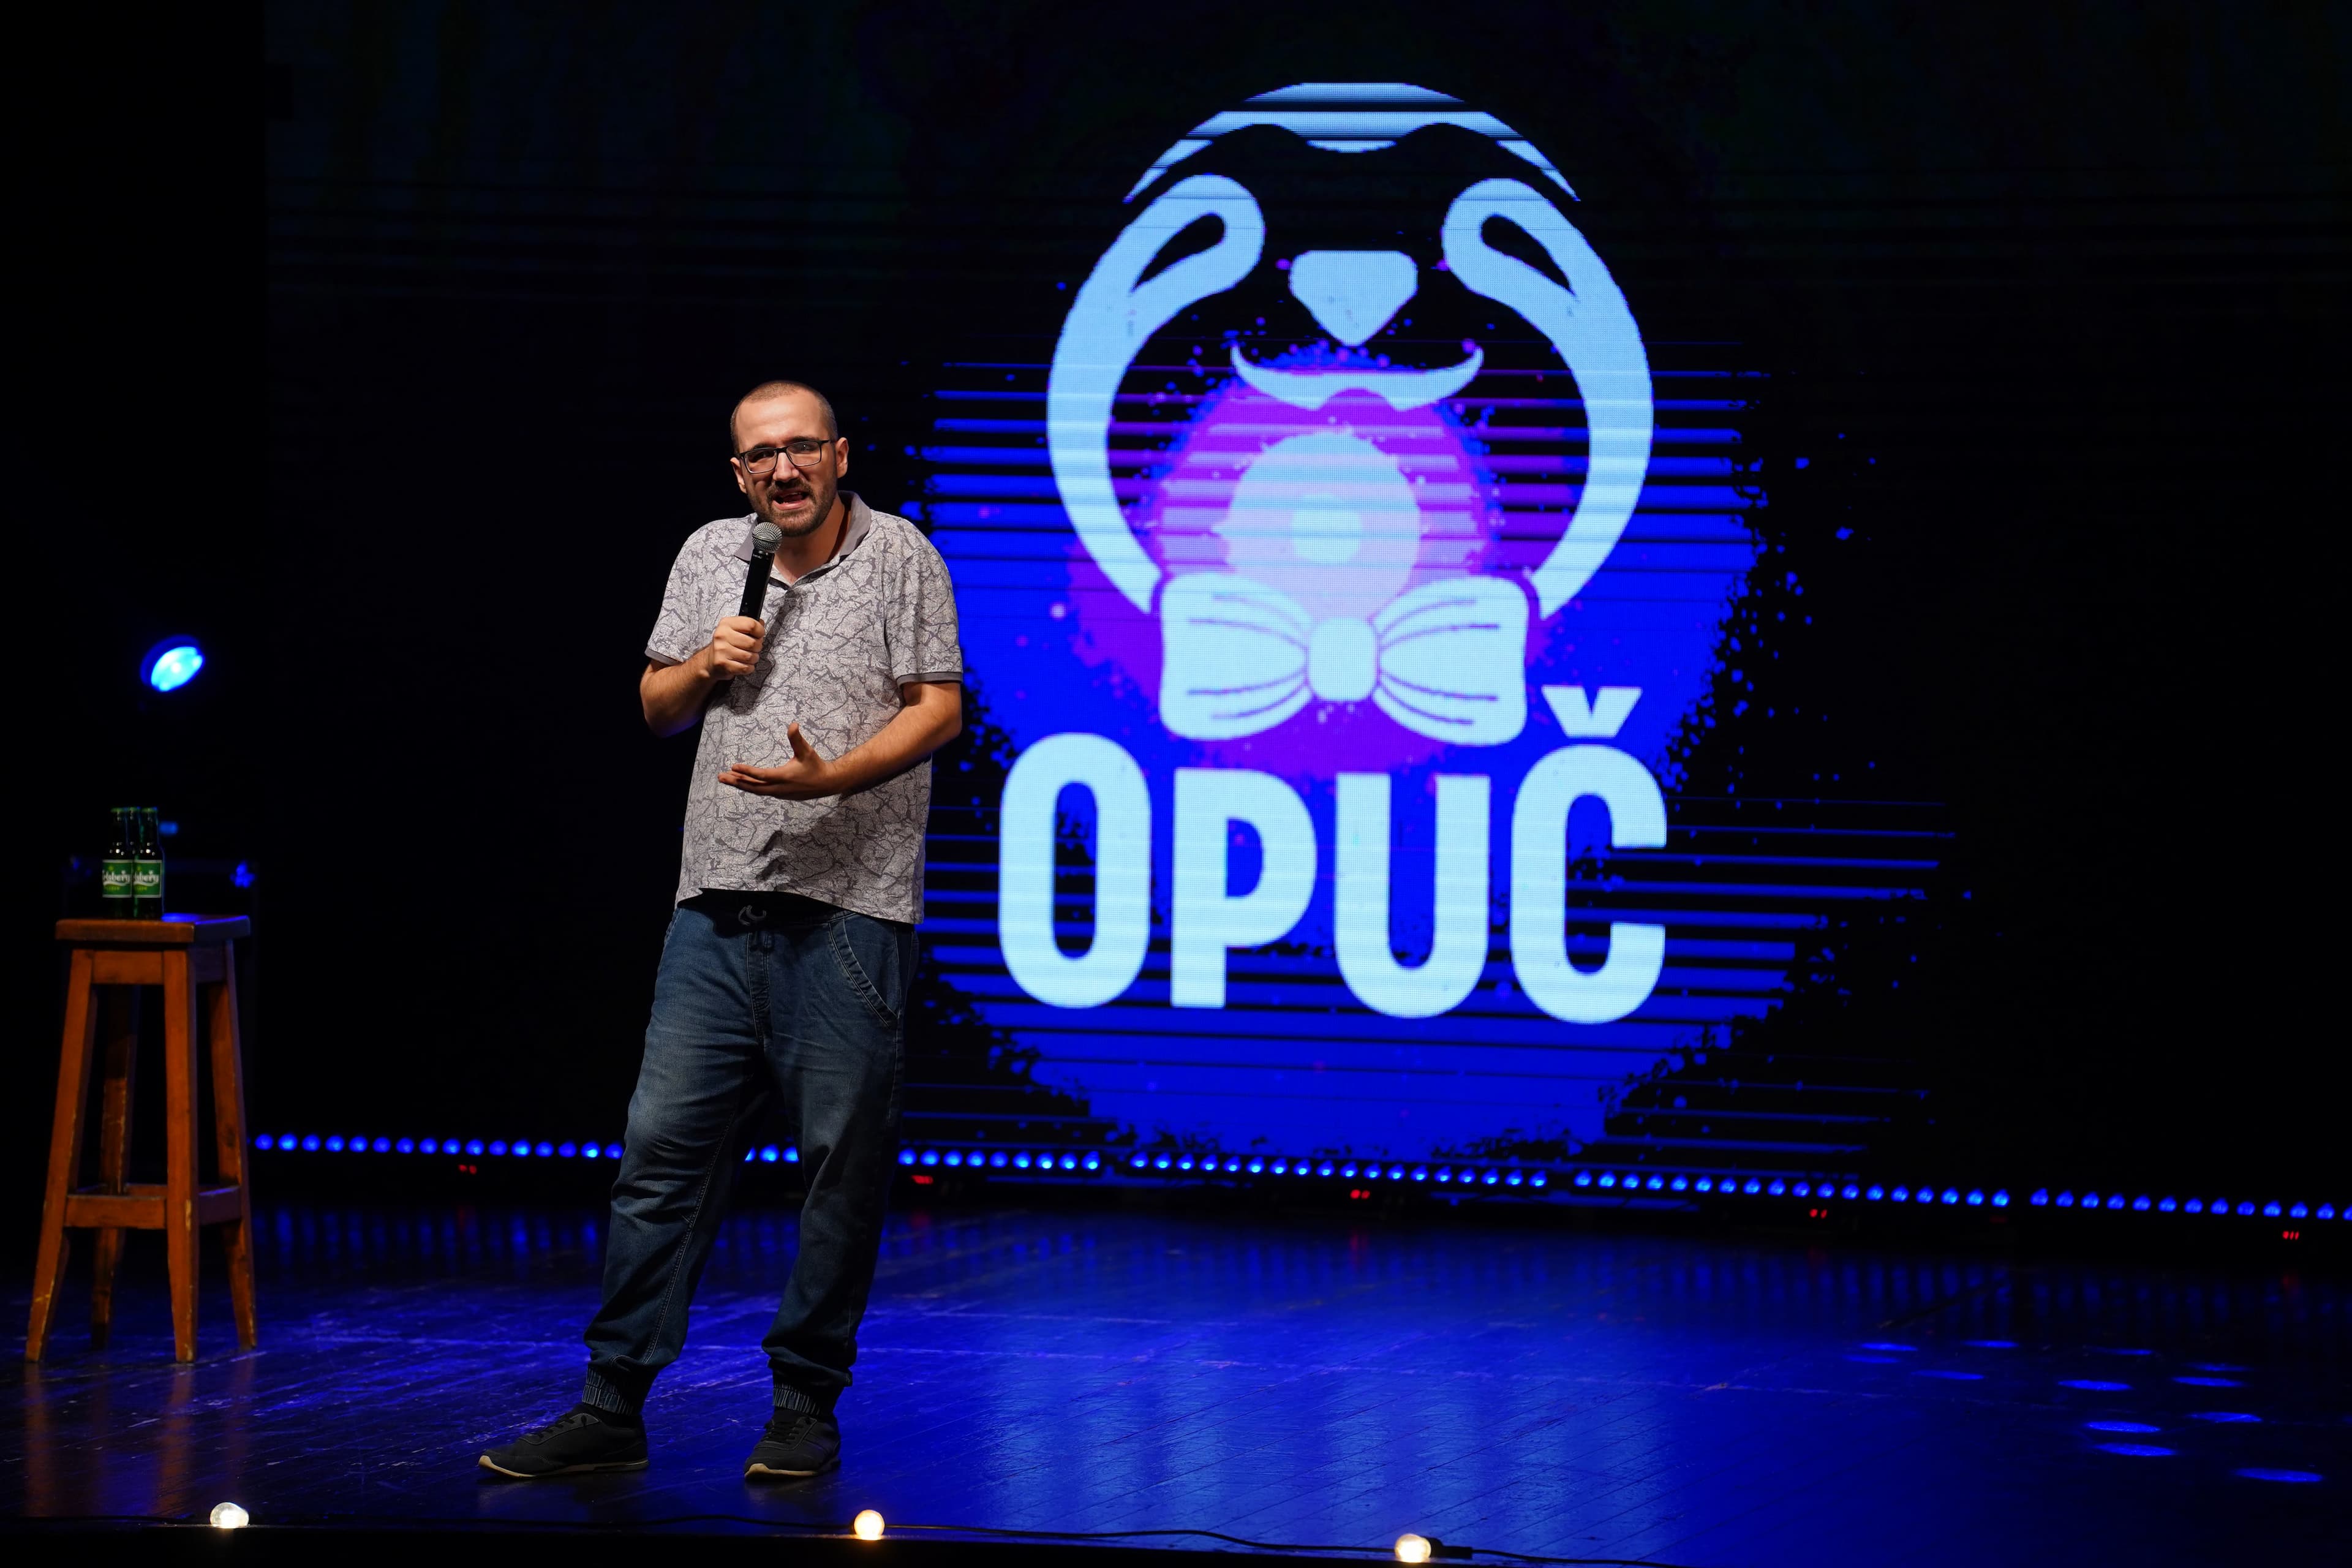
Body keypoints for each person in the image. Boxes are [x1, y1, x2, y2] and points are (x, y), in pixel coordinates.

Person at [481, 380, 963, 1480]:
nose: (784, 471)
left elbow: (938, 708)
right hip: (714, 906)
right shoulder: (712, 553)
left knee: (838, 1173)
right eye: (761, 457)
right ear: (739, 473)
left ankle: (804, 1405)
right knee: (659, 1161)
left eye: (802, 449)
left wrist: (833, 779)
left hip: (848, 912)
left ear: (840, 455)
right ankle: (611, 1406)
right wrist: (707, 663)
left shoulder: (900, 556)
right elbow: (658, 708)